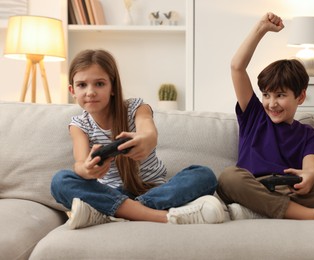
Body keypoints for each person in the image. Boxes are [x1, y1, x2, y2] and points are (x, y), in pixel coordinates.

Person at [216, 12, 314, 221]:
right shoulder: (254, 116)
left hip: (293, 189)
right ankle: (310, 214)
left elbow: (311, 167)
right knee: (229, 178)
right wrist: (261, 29)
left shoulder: (307, 134)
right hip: (255, 185)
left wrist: (310, 176)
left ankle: (258, 209)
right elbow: (237, 67)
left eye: (280, 95)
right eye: (266, 95)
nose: (271, 103)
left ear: (300, 97)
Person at [51, 49, 224, 229]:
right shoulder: (79, 125)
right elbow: (79, 163)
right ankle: (159, 216)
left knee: (204, 175)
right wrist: (87, 170)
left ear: (113, 87)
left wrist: (143, 140)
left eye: (99, 84)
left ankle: (116, 213)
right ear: (72, 90)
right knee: (60, 181)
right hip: (111, 192)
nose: (90, 92)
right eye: (82, 85)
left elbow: (148, 132)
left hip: (154, 190)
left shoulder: (136, 107)